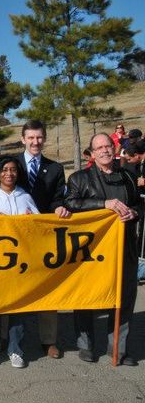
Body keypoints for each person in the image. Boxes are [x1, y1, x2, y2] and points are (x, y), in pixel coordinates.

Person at [65, 133, 139, 366]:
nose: (105, 150)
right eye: (100, 148)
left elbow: (139, 203)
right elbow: (71, 204)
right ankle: (86, 346)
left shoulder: (127, 174)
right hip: (91, 253)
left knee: (124, 299)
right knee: (88, 298)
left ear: (114, 148)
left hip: (124, 248)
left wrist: (134, 212)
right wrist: (103, 205)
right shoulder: (79, 178)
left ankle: (118, 348)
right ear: (92, 153)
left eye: (108, 145)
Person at [15, 120, 72, 359]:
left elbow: (58, 198)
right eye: (31, 138)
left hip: (44, 236)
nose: (35, 142)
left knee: (48, 287)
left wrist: (60, 208)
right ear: (23, 139)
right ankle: (11, 340)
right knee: (14, 288)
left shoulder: (56, 168)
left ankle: (48, 340)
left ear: (44, 138)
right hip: (15, 237)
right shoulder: (11, 165)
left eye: (39, 137)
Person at [0, 156, 39, 369]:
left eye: (13, 169)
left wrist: (32, 220)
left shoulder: (25, 196)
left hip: (20, 264)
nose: (9, 174)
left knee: (18, 309)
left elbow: (40, 228)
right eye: (4, 169)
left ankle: (15, 349)